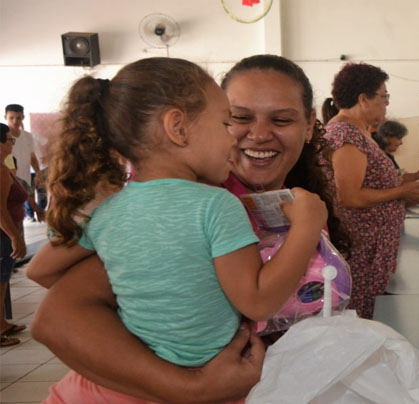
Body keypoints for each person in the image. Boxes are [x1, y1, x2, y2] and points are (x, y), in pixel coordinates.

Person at [28, 55, 347, 403]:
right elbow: (54, 319)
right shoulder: (201, 206)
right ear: (179, 127)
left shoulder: (298, 201)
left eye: (282, 119)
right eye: (234, 119)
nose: (256, 135)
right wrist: (192, 387)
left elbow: (40, 271)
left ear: (310, 125)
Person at [324, 62, 419, 319]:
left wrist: (404, 191)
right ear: (363, 98)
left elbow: (370, 186)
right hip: (361, 251)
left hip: (373, 250)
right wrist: (400, 193)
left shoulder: (359, 132)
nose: (386, 104)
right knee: (361, 318)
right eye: (384, 97)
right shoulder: (346, 135)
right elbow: (348, 196)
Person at [0, 123, 27, 347]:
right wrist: (14, 236)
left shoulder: (3, 167)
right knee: (0, 280)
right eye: (10, 139)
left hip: (5, 234)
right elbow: (0, 210)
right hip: (2, 236)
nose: (12, 143)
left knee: (3, 281)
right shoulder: (0, 171)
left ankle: (2, 322)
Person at [5, 104, 43, 222]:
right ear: (5, 117)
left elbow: (32, 157)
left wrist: (38, 172)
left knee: (19, 214)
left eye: (18, 118)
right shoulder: (3, 138)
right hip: (10, 180)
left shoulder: (27, 136)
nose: (15, 121)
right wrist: (37, 210)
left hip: (25, 177)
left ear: (23, 118)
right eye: (11, 118)